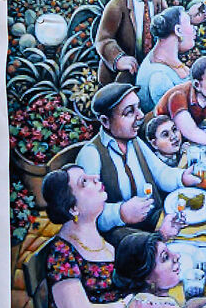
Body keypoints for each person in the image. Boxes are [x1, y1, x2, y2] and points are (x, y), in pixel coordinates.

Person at [35, 166, 129, 308]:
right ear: (73, 208)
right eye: (84, 182)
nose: (96, 178)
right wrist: (128, 305)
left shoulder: (99, 237)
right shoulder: (62, 253)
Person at [73, 84, 181, 241]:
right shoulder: (91, 155)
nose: (140, 115)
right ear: (105, 121)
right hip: (124, 239)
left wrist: (184, 177)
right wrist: (121, 213)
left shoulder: (134, 141)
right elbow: (86, 213)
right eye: (130, 112)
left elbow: (160, 173)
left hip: (154, 221)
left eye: (138, 108)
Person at [94, 0, 199, 87]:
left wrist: (191, 19)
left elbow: (168, 29)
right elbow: (103, 39)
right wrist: (119, 59)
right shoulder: (116, 5)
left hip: (151, 71)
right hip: (121, 78)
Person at [134, 5, 201, 111]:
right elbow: (176, 115)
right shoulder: (159, 77)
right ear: (178, 30)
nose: (194, 28)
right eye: (190, 24)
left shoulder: (166, 59)